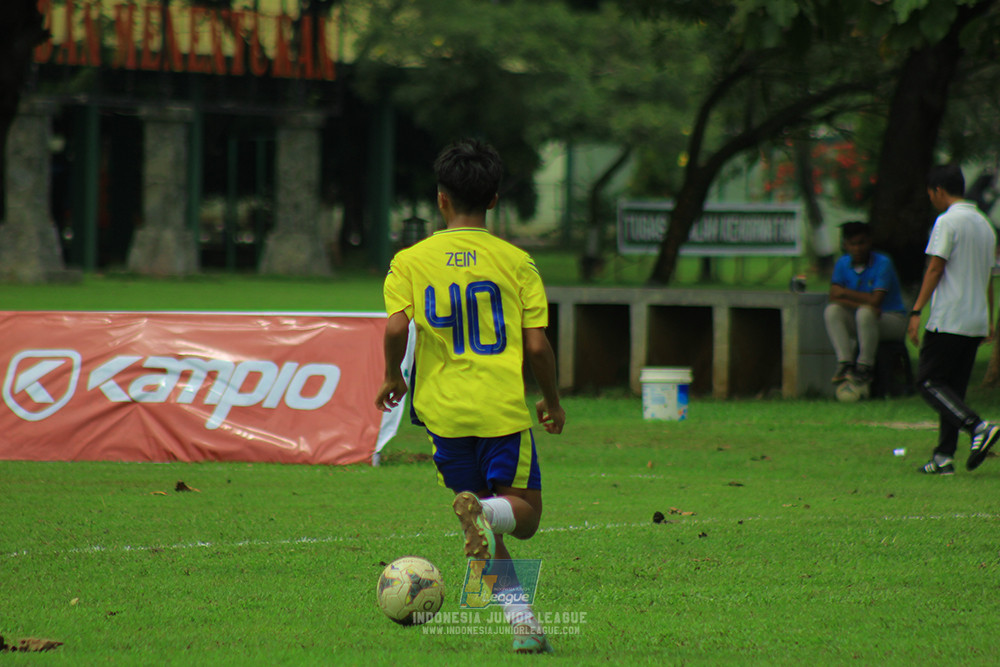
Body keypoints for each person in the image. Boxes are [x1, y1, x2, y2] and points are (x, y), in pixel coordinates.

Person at [374, 139, 565, 654]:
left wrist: (393, 377)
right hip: (500, 411)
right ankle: (483, 513)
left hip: (443, 416)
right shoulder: (517, 262)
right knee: (524, 517)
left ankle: (524, 626)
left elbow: (396, 327)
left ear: (441, 199)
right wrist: (552, 401)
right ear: (494, 199)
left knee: (489, 525)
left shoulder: (410, 260)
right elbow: (536, 345)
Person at [909, 163, 999, 474]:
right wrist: (989, 318)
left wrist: (917, 310)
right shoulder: (985, 224)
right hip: (975, 319)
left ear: (938, 191)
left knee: (928, 381)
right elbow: (988, 277)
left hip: (950, 317)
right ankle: (943, 457)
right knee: (952, 390)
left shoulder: (947, 221)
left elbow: (935, 268)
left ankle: (978, 427)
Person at [823, 221, 908, 395]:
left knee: (865, 313)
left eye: (861, 243)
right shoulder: (842, 263)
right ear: (845, 245)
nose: (857, 248)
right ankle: (845, 363)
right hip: (863, 318)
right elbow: (833, 297)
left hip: (891, 319)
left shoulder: (883, 263)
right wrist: (863, 303)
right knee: (833, 311)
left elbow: (876, 300)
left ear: (869, 242)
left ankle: (864, 367)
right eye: (852, 244)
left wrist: (845, 293)